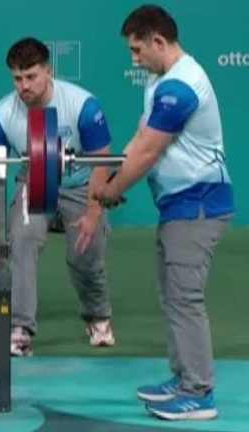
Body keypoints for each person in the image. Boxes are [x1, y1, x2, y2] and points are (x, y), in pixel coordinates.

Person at [95, 5, 234, 421]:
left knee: (185, 298)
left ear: (158, 41)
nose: (134, 59)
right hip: (179, 205)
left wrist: (111, 190)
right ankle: (182, 378)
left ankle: (198, 393)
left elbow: (151, 151)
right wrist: (113, 179)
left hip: (199, 204)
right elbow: (140, 140)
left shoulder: (182, 86)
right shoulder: (161, 82)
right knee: (172, 295)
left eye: (138, 50)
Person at [0, 37, 115, 356]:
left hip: (82, 184)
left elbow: (102, 161)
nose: (24, 85)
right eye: (17, 78)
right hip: (33, 181)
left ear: (48, 71)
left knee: (86, 253)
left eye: (31, 76)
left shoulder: (81, 104)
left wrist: (93, 215)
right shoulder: (3, 114)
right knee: (21, 239)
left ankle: (97, 315)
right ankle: (20, 327)